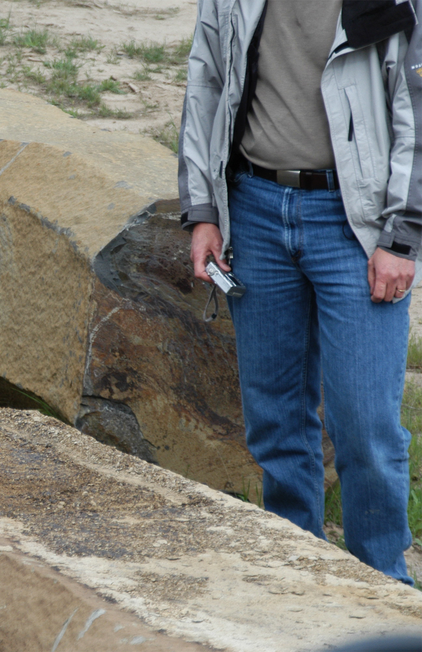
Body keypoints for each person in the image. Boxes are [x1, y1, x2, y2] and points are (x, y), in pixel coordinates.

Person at [179, 0, 421, 584]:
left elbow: (417, 106)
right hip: (256, 211)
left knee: (364, 427)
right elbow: (205, 82)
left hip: (357, 223)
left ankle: (384, 592)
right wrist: (204, 211)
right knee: (276, 423)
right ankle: (295, 585)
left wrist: (403, 235)